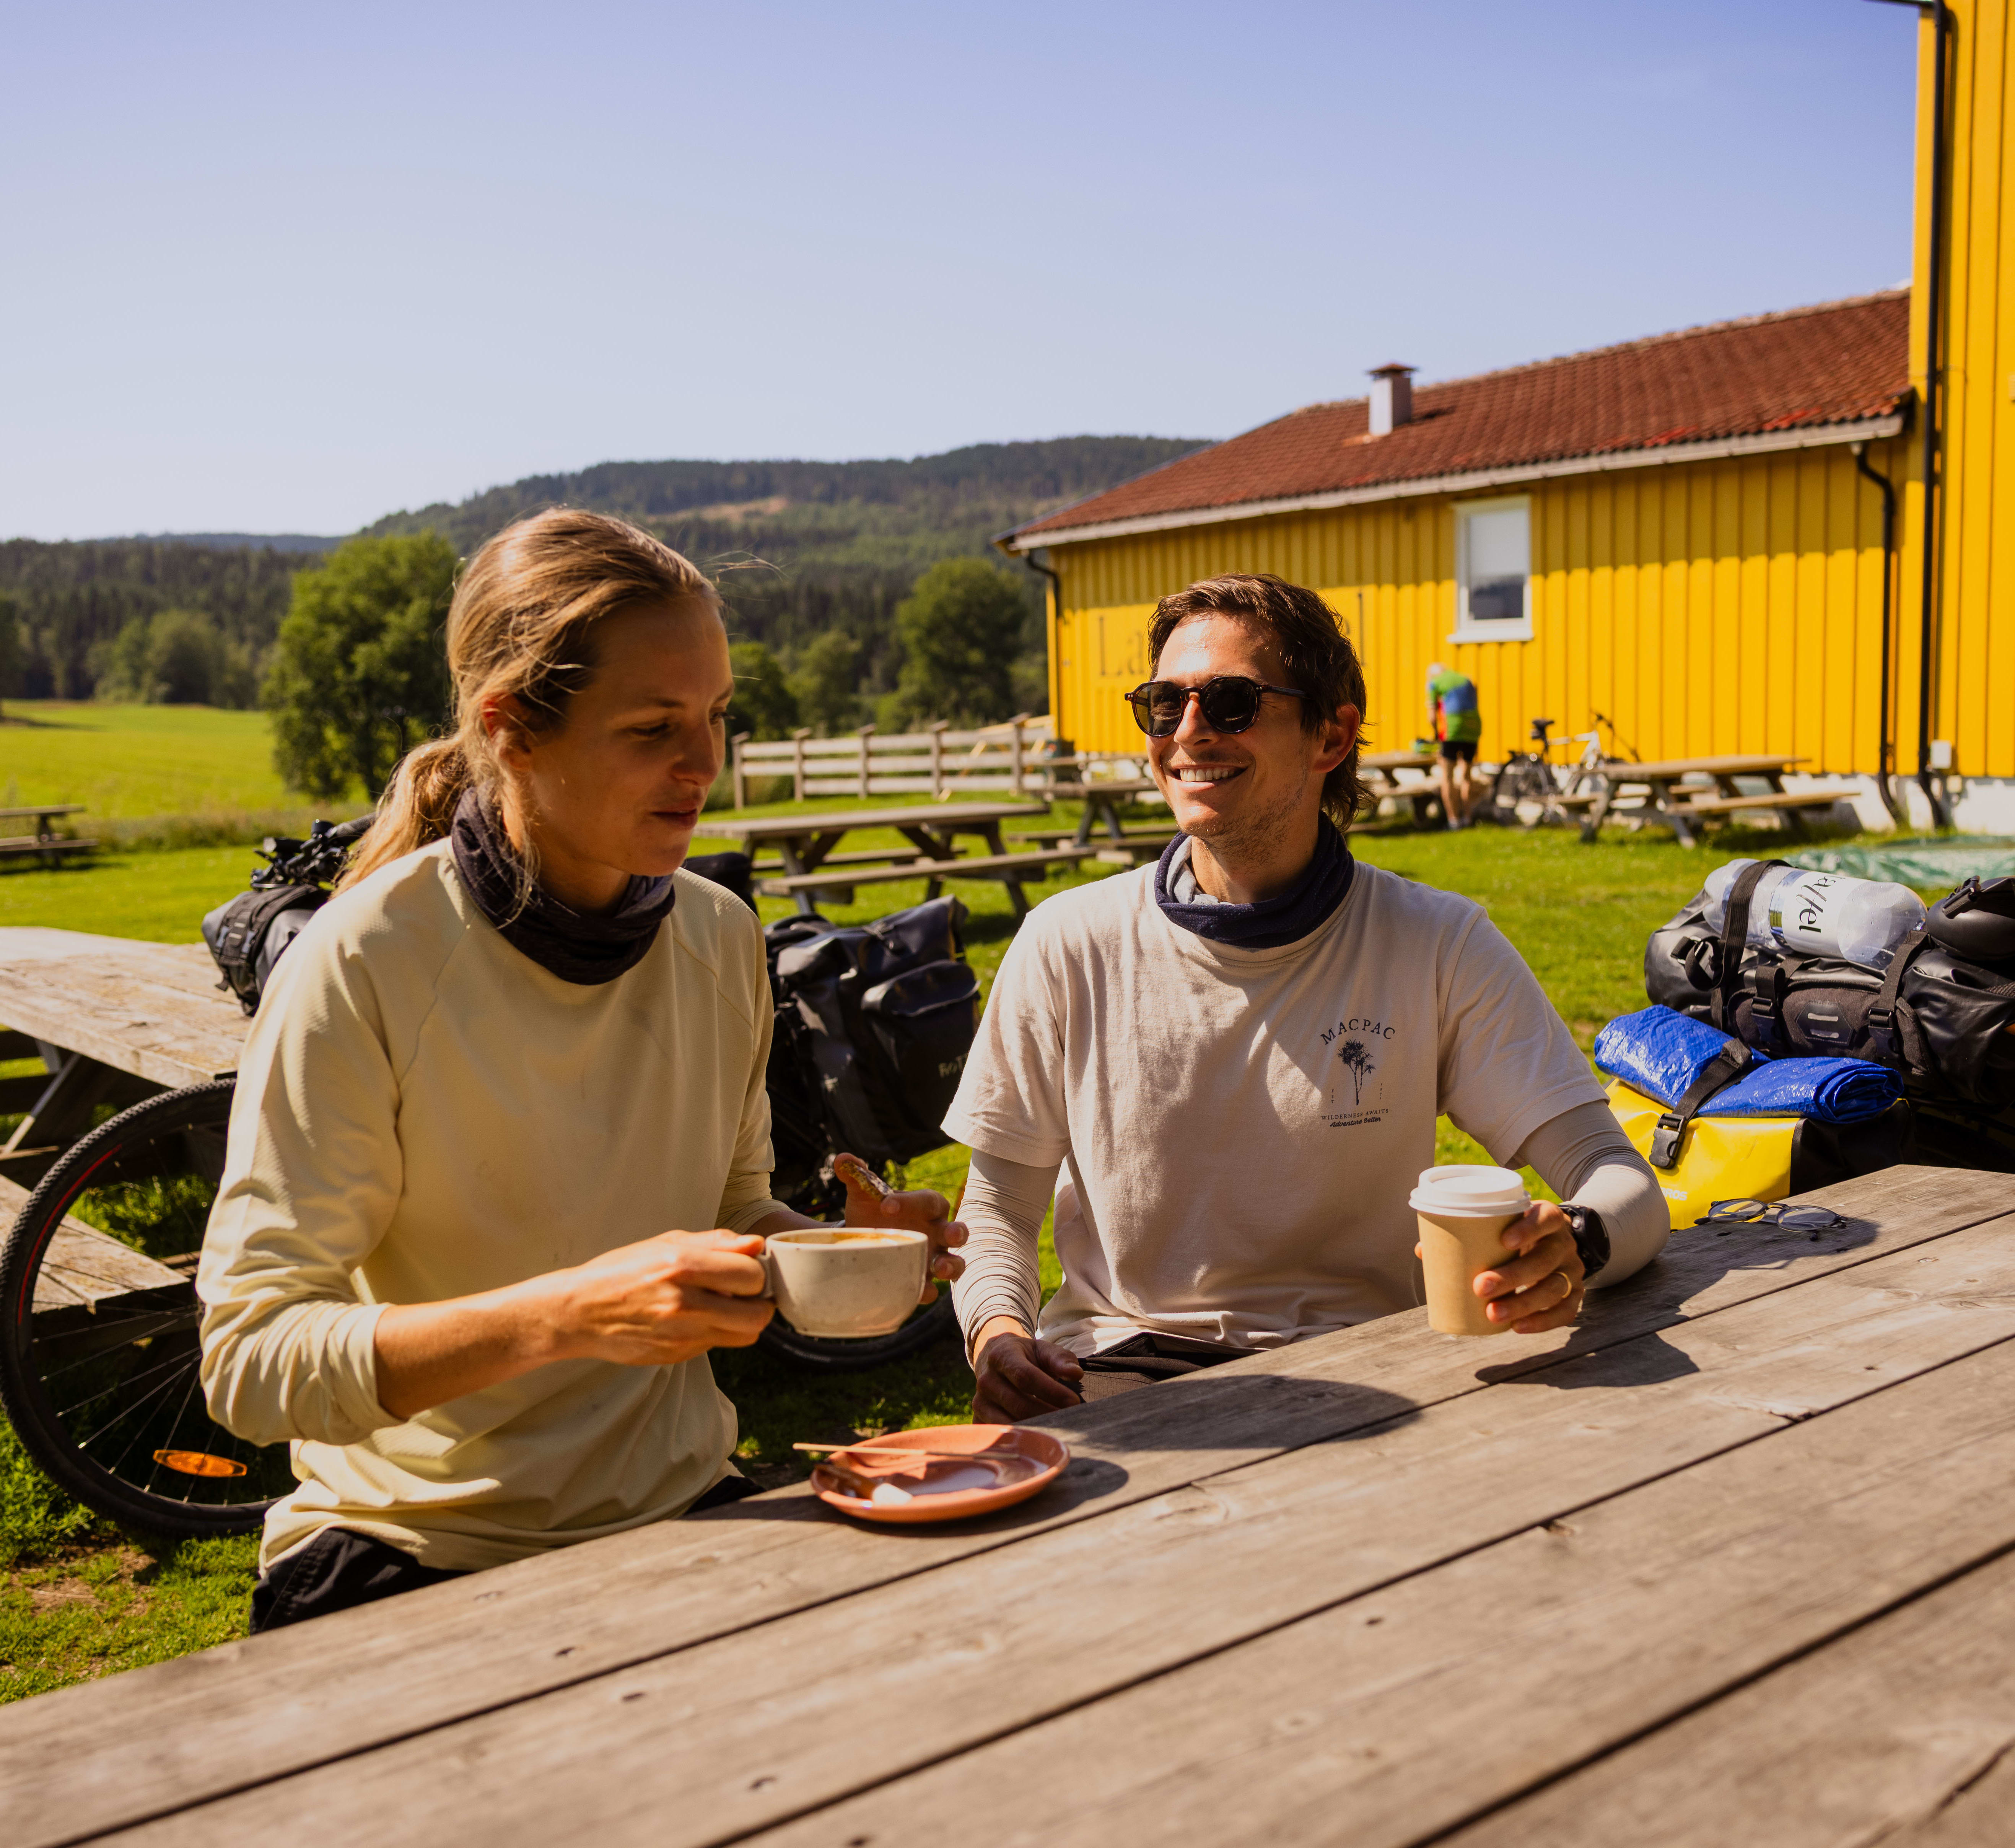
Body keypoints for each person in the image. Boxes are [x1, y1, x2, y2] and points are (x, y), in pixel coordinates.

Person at [198, 509, 965, 1630]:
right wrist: (566, 1314)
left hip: (685, 1510)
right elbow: (250, 1362)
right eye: (654, 727)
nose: (704, 766)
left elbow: (726, 1214)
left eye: (715, 718)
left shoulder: (716, 938)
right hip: (413, 1552)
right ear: (511, 729)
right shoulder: (366, 960)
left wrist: (839, 1251)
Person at [946, 573, 1666, 1422]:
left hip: (1376, 1371)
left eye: (1230, 702)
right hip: (1119, 1366)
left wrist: (1574, 1246)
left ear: (1332, 736)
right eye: (1162, 704)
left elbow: (1620, 1180)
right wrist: (996, 1332)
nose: (1187, 733)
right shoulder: (1069, 941)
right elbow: (994, 1209)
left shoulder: (1437, 941)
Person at [1425, 661, 1483, 828]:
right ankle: (1468, 817)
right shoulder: (1466, 679)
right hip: (1474, 728)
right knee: (1466, 776)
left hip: (1453, 730)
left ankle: (1454, 821)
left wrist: (1436, 734)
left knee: (1448, 777)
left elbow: (1432, 716)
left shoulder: (1434, 682)